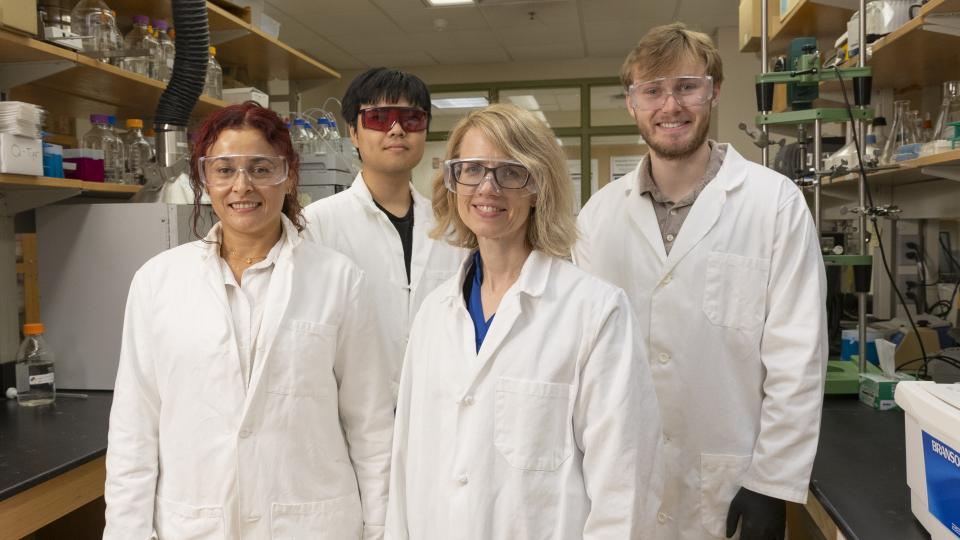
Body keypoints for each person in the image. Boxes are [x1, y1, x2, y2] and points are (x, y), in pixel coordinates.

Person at [573, 23, 827, 540]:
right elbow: (579, 356)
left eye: (687, 86)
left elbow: (798, 356)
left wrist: (772, 482)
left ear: (714, 91)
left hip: (730, 481)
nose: (671, 105)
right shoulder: (597, 217)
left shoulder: (774, 203)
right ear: (632, 102)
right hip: (620, 481)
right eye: (653, 90)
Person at [103, 102, 394, 539]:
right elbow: (134, 430)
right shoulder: (158, 282)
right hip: (196, 524)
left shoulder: (339, 280)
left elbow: (371, 427)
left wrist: (382, 531)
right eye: (224, 170)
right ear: (205, 178)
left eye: (260, 168)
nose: (242, 186)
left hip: (309, 524)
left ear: (288, 175)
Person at [386, 103, 663, 539]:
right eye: (472, 170)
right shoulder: (433, 314)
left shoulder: (595, 311)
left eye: (510, 172)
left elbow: (624, 489)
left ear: (538, 187)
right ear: (453, 183)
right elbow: (406, 463)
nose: (488, 187)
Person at [303, 68, 466, 400]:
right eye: (379, 118)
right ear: (353, 133)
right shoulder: (317, 224)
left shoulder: (452, 228)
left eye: (412, 119)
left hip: (438, 404)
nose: (396, 129)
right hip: (351, 410)